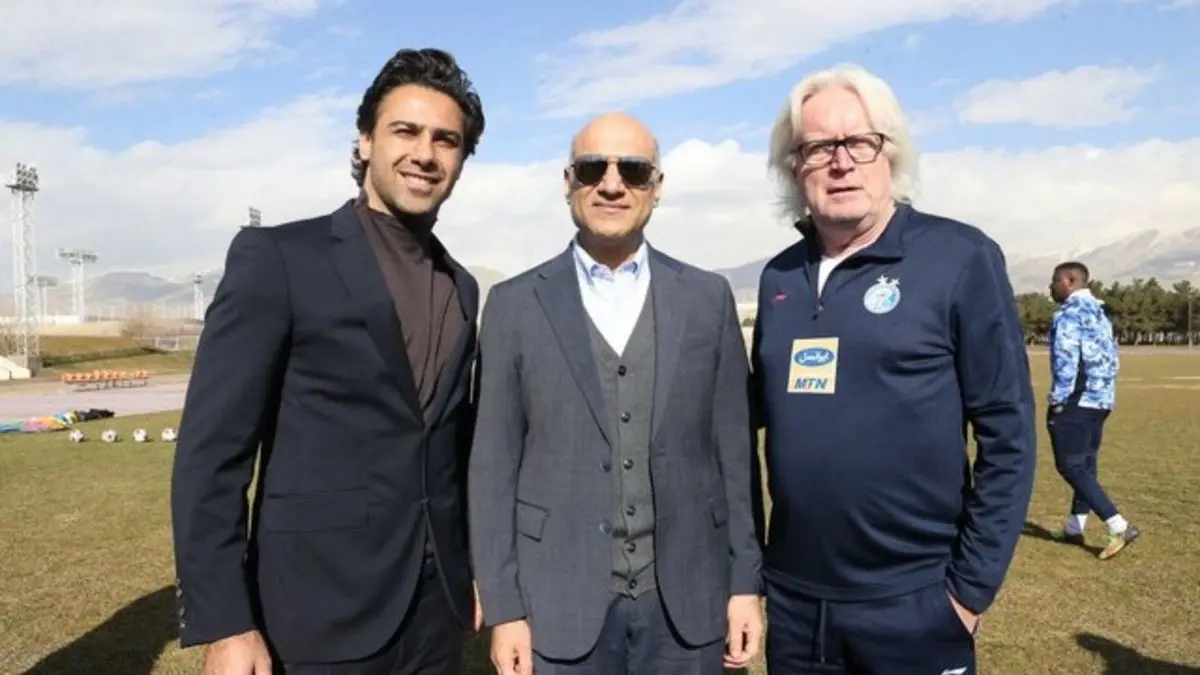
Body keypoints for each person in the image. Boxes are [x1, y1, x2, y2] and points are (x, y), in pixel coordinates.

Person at [170, 47, 486, 674]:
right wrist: (226, 622)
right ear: (365, 141)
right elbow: (212, 453)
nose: (425, 153)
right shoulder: (279, 259)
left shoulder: (462, 286)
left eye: (446, 140)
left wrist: (470, 570)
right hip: (315, 611)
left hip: (435, 614)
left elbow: (448, 449)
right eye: (405, 131)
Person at [750, 63, 1037, 674]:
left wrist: (967, 592)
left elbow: (1008, 433)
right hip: (796, 605)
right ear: (794, 167)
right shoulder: (779, 278)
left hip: (916, 601)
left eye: (860, 141)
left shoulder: (959, 258)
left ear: (891, 152)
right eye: (819, 147)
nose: (841, 162)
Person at [468, 112, 763, 675]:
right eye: (591, 169)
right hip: (556, 600)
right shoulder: (512, 306)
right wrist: (504, 609)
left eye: (632, 169)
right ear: (568, 182)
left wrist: (744, 583)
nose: (611, 184)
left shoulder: (708, 299)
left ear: (656, 186)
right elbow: (492, 467)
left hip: (688, 600)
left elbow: (734, 456)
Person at [1046, 261, 1139, 559]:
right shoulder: (1100, 312)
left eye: (1055, 281)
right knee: (1085, 463)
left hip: (1076, 400)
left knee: (1069, 465)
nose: (1050, 287)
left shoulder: (1069, 314)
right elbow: (1112, 356)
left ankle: (1117, 525)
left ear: (1071, 281)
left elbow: (1066, 360)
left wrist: (1058, 400)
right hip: (1101, 398)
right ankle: (1075, 526)